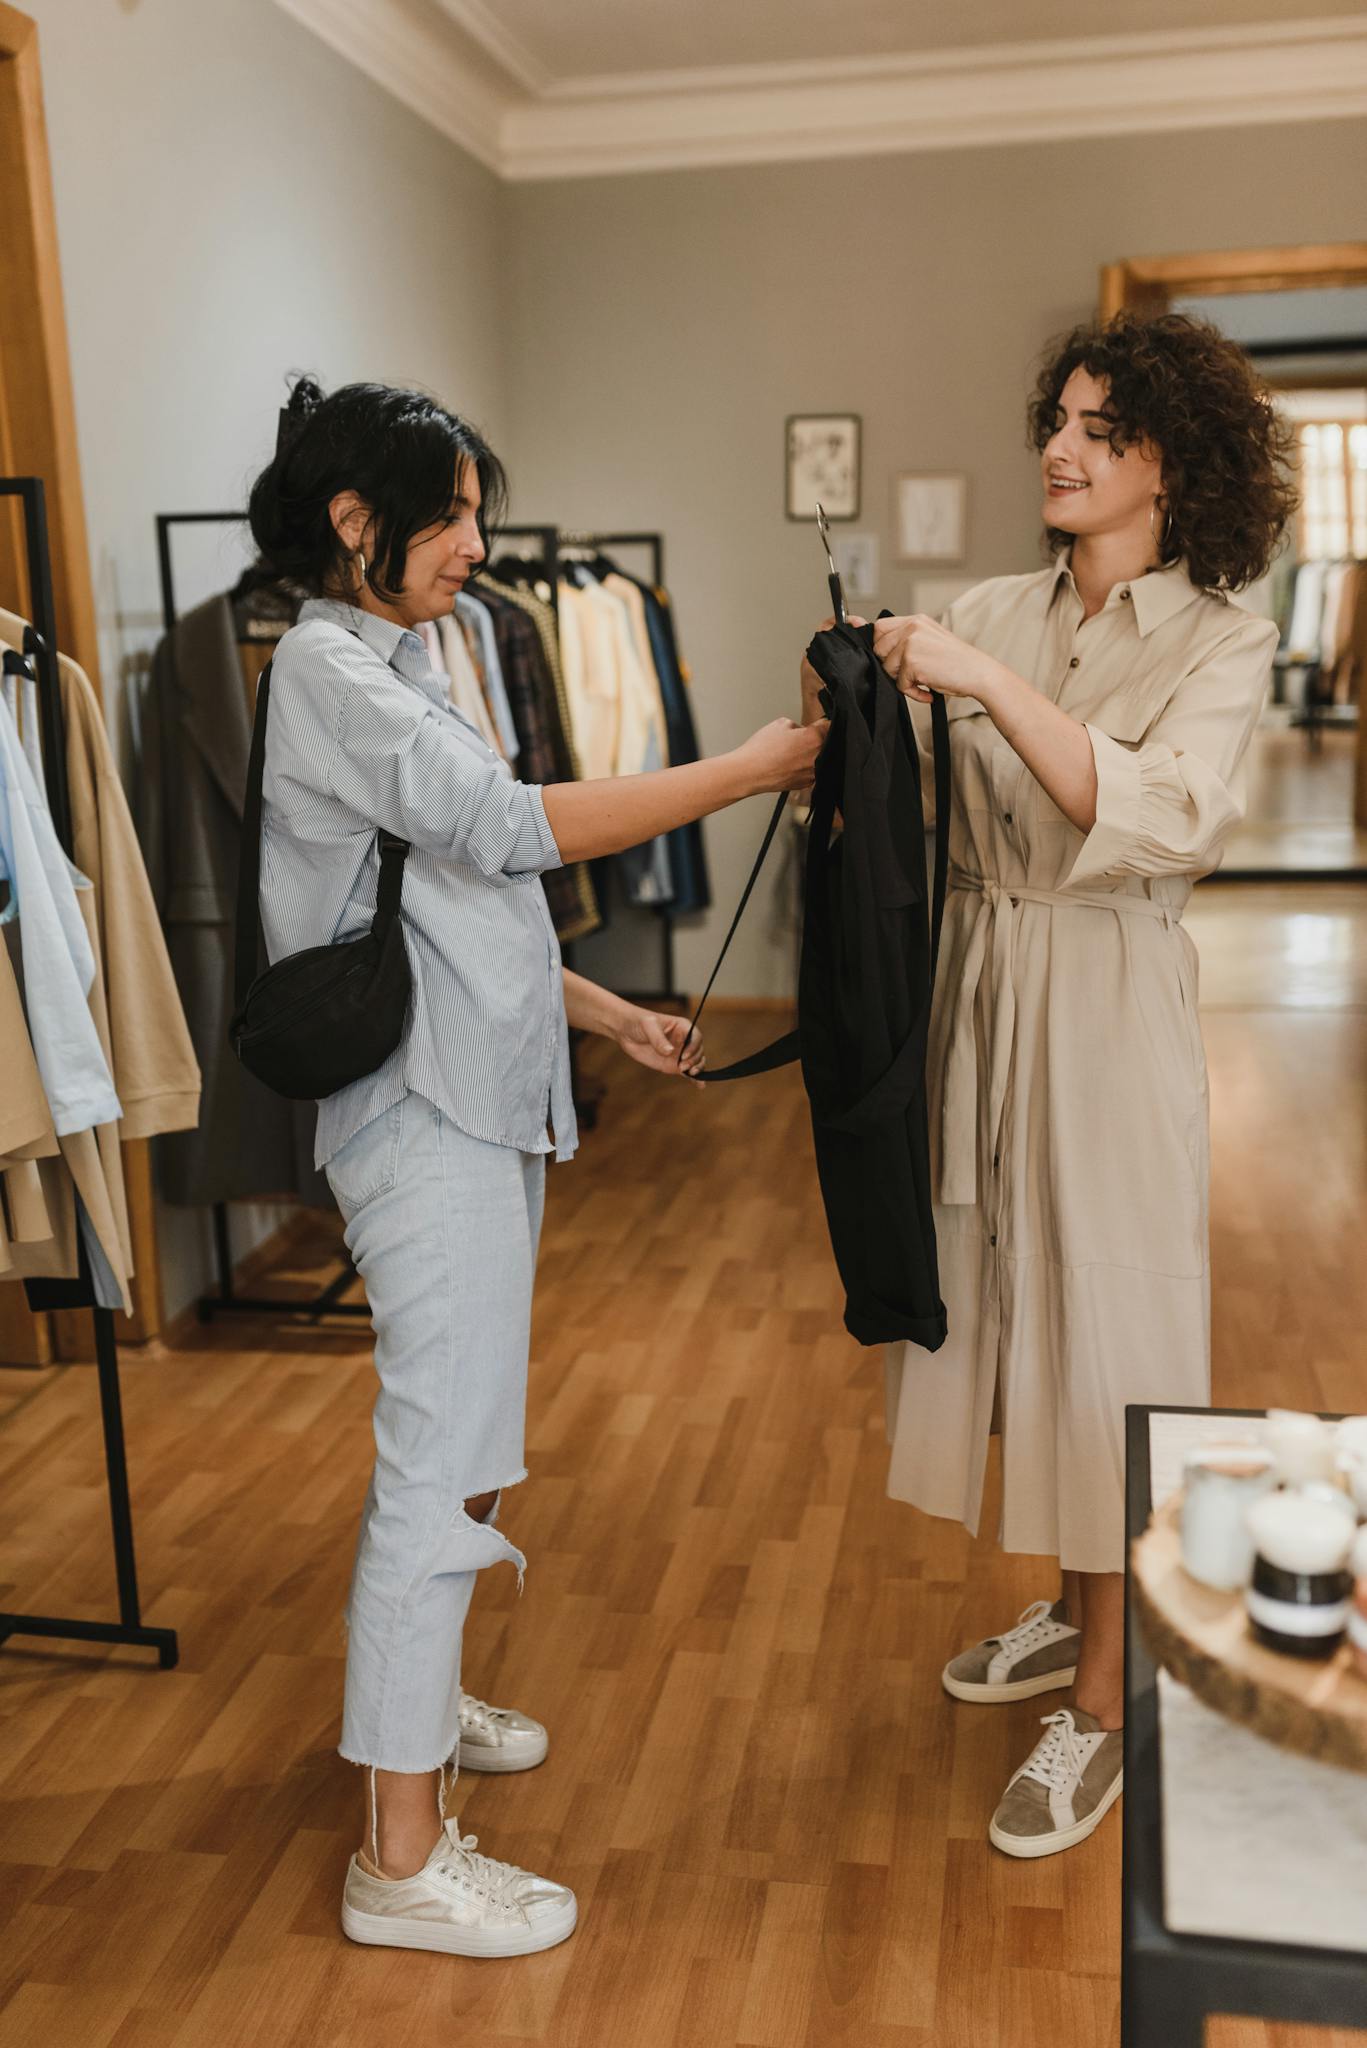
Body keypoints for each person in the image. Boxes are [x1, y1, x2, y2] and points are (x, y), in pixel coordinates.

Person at [248, 376, 826, 1957]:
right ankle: (399, 1857)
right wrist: (746, 771)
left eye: (480, 513)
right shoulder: (324, 674)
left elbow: (453, 902)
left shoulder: (419, 649)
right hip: (413, 1115)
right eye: (449, 516)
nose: (476, 547)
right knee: (435, 1472)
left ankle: (417, 1713)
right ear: (354, 521)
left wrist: (605, 1010)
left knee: (479, 1442)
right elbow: (512, 830)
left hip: (485, 1089)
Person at [800, 312, 1294, 1858]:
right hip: (985, 988)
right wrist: (855, 711)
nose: (1060, 448)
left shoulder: (1223, 633)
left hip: (1109, 988)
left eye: (1100, 428)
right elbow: (923, 803)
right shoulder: (994, 605)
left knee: (1117, 1330)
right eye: (1058, 419)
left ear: (1175, 464)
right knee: (1013, 1313)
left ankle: (1104, 1696)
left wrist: (978, 687)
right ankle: (1070, 1603)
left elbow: (1154, 815)